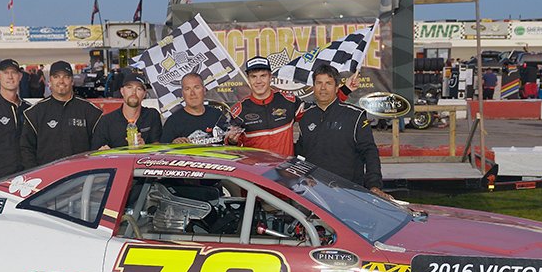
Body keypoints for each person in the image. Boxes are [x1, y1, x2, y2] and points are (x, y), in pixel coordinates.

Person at [228, 56, 356, 156]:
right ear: (248, 79)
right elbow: (229, 151)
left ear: (270, 77)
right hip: (256, 179)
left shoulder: (287, 101)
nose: (258, 81)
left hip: (284, 174)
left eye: (263, 76)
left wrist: (346, 89)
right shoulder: (238, 111)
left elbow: (319, 109)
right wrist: (231, 141)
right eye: (253, 77)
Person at [296, 64, 384, 195]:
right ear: (313, 87)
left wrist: (374, 185)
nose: (323, 88)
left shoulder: (355, 116)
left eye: (328, 83)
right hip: (315, 193)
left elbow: (370, 153)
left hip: (349, 192)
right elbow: (301, 153)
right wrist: (301, 177)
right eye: (319, 83)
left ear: (337, 87)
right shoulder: (306, 117)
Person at [20, 60, 103, 169]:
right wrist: (36, 175)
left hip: (81, 178)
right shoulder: (35, 112)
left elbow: (98, 147)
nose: (61, 81)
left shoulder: (90, 111)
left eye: (66, 77)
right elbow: (26, 148)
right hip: (47, 179)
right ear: (50, 81)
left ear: (72, 81)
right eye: (56, 77)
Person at [91, 70, 162, 149]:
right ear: (122, 91)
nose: (133, 92)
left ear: (144, 94)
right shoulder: (107, 121)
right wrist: (103, 152)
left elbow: (159, 146)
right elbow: (95, 151)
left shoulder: (152, 115)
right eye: (129, 87)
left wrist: (145, 147)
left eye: (139, 89)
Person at [160, 72, 225, 144]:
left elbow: (230, 142)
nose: (192, 93)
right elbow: (164, 150)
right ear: (183, 94)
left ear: (204, 90)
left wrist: (232, 139)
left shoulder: (217, 115)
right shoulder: (173, 122)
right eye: (187, 89)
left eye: (196, 87)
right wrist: (173, 144)